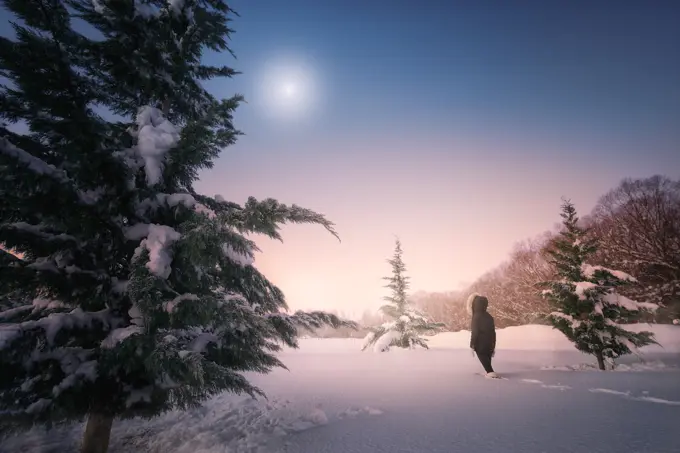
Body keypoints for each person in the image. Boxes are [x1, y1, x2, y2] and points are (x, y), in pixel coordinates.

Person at [469, 294, 498, 378]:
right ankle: (490, 371)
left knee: (481, 355)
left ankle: (490, 372)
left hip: (480, 342)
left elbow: (475, 332)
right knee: (487, 356)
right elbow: (493, 332)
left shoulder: (476, 317)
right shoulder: (489, 316)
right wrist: (493, 344)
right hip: (490, 341)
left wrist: (472, 345)